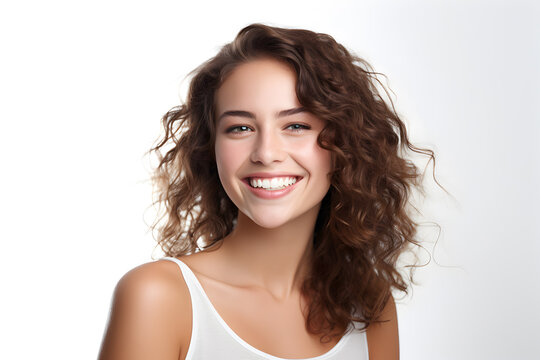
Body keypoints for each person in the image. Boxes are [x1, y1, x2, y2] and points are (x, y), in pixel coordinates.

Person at [98, 23, 435, 360]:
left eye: (296, 126)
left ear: (345, 143)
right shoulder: (158, 297)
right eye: (240, 127)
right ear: (210, 146)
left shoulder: (369, 306)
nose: (266, 152)